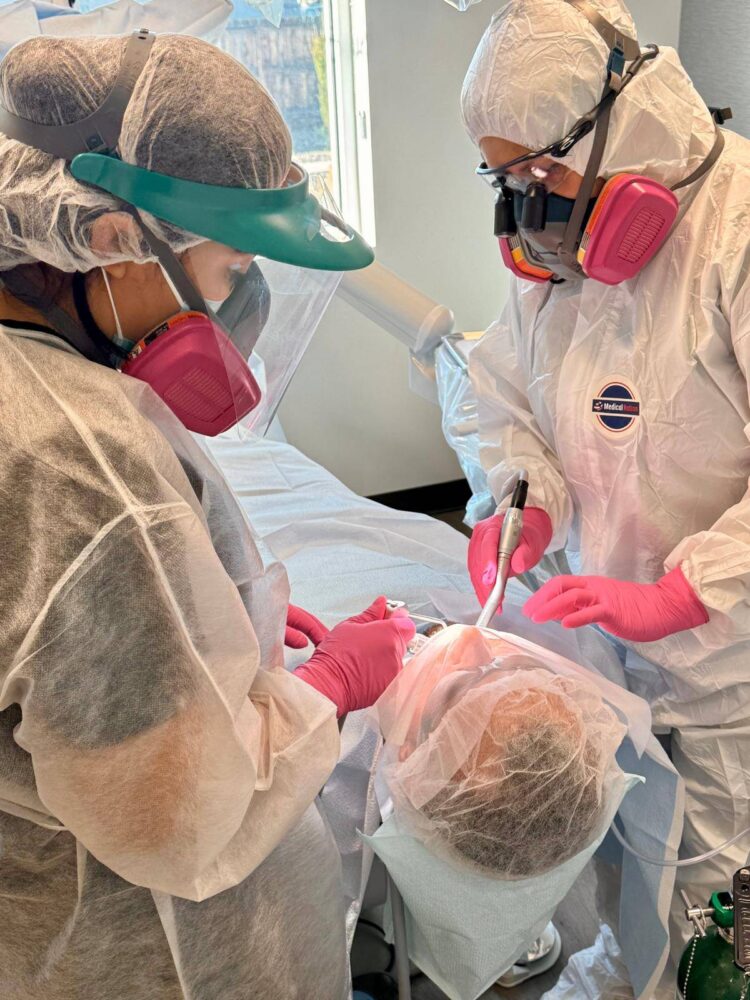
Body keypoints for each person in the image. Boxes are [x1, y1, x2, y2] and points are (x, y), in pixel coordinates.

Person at [0, 31, 414, 1000]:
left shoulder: (36, 376)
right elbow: (175, 814)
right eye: (231, 267)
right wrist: (332, 687)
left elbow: (68, 651)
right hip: (147, 948)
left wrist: (212, 625)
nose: (239, 304)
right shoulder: (80, 464)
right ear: (112, 243)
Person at [460, 0, 750, 993]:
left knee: (711, 901)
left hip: (728, 671)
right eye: (503, 182)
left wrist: (686, 591)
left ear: (612, 123)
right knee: (626, 851)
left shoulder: (738, 230)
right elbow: (509, 398)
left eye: (537, 175)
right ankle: (622, 971)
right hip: (607, 649)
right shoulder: (555, 250)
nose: (524, 211)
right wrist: (523, 502)